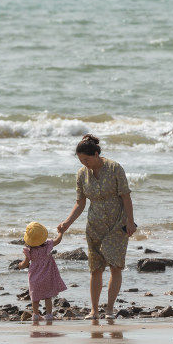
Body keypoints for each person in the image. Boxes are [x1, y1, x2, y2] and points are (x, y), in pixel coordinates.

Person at [57, 134, 136, 320]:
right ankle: (94, 310)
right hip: (94, 225)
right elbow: (80, 203)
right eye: (81, 160)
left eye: (86, 159)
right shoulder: (81, 174)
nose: (84, 164)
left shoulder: (115, 168)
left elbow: (126, 196)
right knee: (95, 269)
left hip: (118, 224)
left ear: (96, 154)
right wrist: (66, 223)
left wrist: (131, 221)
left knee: (116, 267)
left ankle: (109, 309)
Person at [17, 221, 67, 324]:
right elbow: (58, 241)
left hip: (34, 277)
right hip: (47, 275)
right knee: (47, 296)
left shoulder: (29, 250)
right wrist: (61, 232)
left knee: (35, 297)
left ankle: (35, 314)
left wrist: (19, 265)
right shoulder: (48, 245)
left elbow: (25, 264)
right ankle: (48, 315)